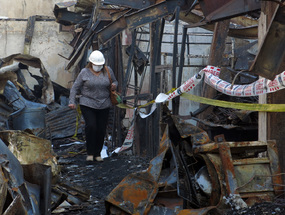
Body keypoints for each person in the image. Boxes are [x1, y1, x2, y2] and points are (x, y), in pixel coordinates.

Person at [68, 50, 118, 162]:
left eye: (100, 65)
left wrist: (114, 85)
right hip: (88, 103)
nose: (98, 67)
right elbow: (75, 87)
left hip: (104, 104)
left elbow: (115, 81)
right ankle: (90, 154)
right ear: (91, 63)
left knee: (101, 129)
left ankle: (97, 154)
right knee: (91, 126)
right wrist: (72, 101)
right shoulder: (84, 72)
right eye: (96, 65)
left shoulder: (107, 70)